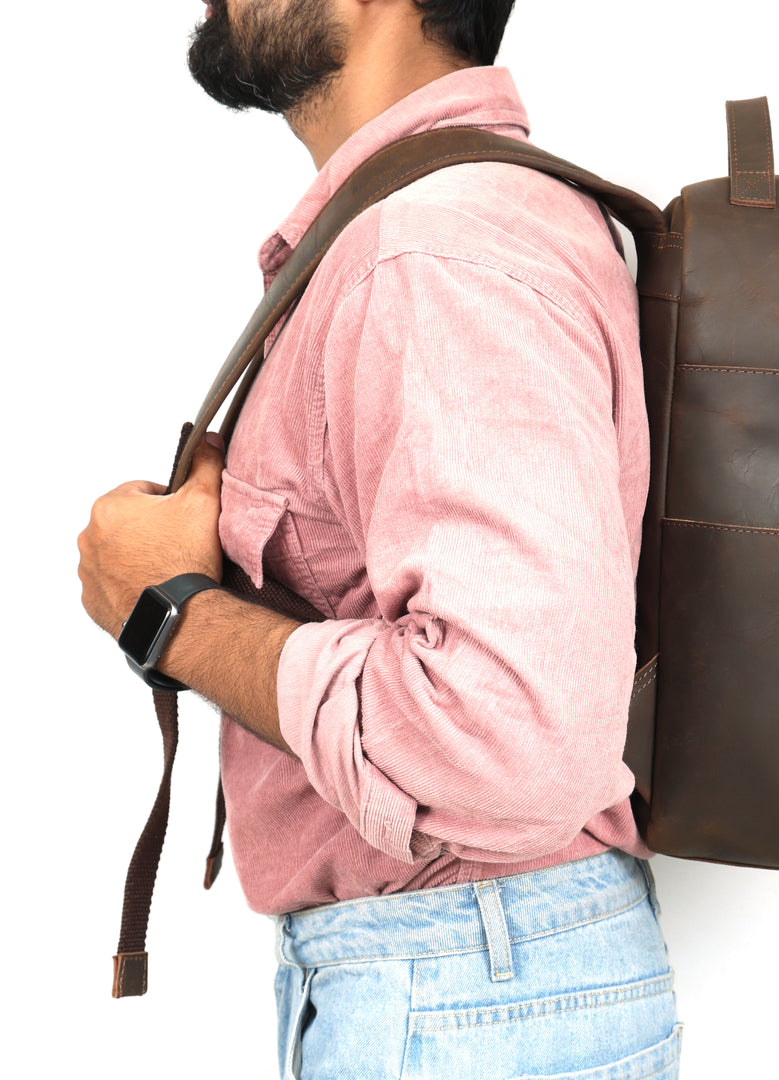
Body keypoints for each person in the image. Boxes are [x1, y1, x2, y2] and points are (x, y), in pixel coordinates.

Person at [77, 1, 681, 1076]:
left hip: (466, 986)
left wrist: (171, 615)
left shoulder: (432, 245)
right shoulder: (438, 224)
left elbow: (508, 728)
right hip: (474, 983)